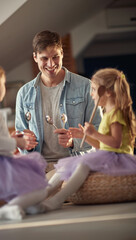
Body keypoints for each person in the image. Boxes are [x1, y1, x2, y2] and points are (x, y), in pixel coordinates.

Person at [26, 68, 136, 213]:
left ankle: (57, 200)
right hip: (108, 155)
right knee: (66, 167)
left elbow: (115, 143)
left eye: (94, 90)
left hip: (118, 158)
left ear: (107, 92)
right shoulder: (108, 113)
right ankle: (42, 196)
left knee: (82, 164)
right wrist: (82, 135)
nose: (91, 94)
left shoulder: (116, 114)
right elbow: (103, 146)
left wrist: (94, 133)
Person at [15, 30, 101, 171]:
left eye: (55, 57)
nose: (51, 64)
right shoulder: (24, 93)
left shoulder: (86, 86)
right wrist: (25, 142)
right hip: (38, 168)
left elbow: (99, 132)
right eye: (44, 58)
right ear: (35, 57)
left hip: (76, 165)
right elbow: (20, 135)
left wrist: (73, 142)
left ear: (62, 53)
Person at [0, 57, 49, 220]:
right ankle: (10, 207)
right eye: (3, 83)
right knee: (40, 189)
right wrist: (18, 142)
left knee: (25, 188)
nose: (3, 88)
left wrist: (8, 137)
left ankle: (26, 206)